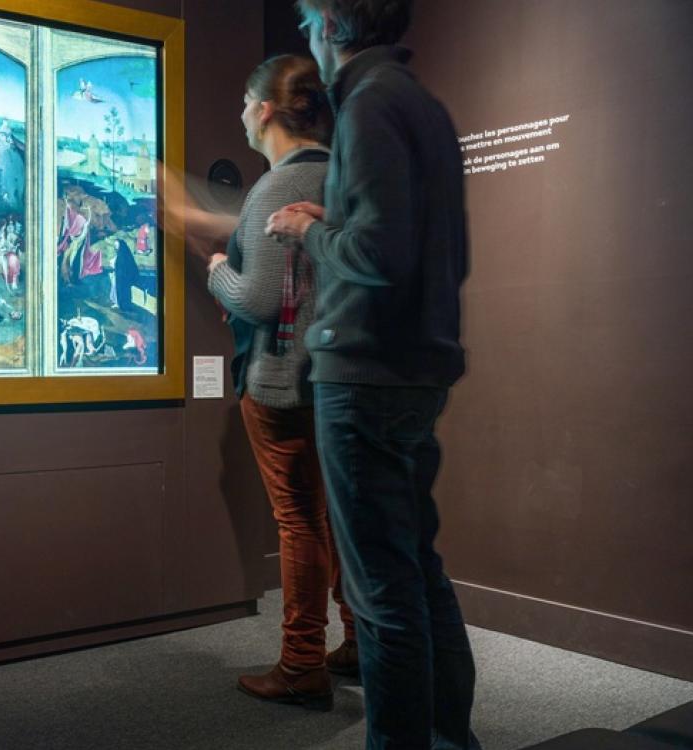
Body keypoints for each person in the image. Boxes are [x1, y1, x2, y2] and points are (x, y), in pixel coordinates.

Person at [266, 1, 475, 746]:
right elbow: (427, 249)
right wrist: (337, 224)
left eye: (306, 20)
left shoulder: (368, 104)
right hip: (414, 369)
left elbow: (379, 255)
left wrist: (308, 228)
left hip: (366, 375)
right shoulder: (420, 103)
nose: (305, 34)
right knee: (416, 571)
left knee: (381, 592)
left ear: (330, 21)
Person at [205, 53, 357, 711]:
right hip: (341, 380)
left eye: (246, 101)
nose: (241, 113)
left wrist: (218, 269)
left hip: (281, 382)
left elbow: (260, 300)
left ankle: (301, 664)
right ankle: (360, 643)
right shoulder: (345, 178)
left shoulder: (274, 188)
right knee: (342, 518)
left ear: (266, 109)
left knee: (299, 522)